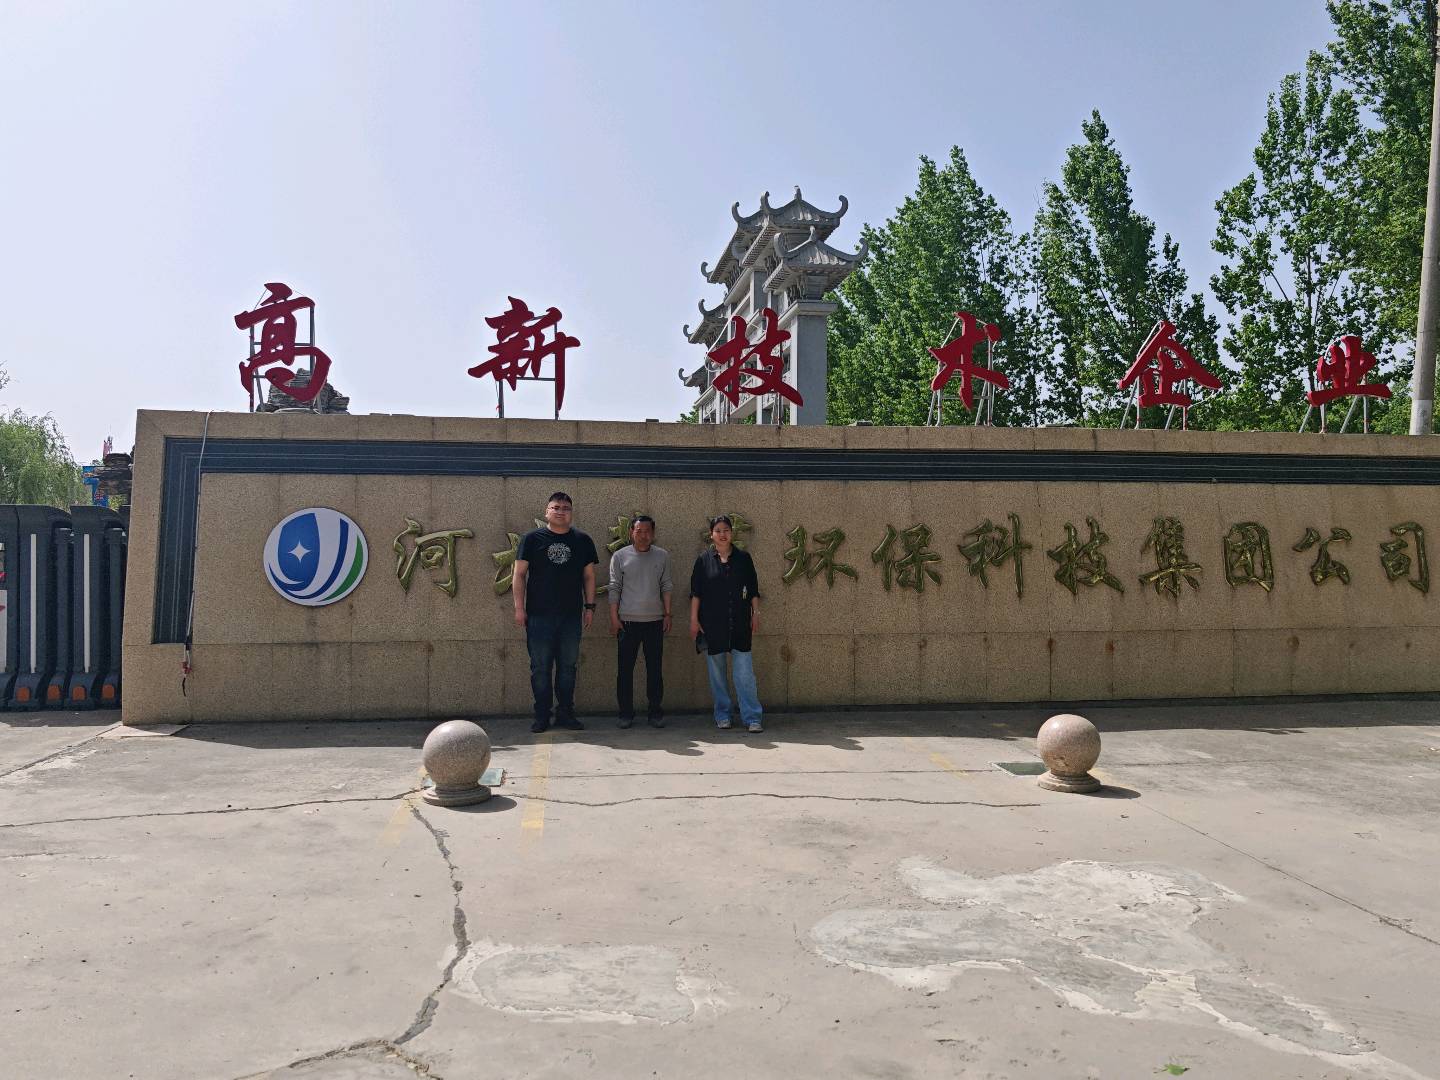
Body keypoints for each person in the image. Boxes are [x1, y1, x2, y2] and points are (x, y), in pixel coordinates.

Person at [512, 492, 598, 734]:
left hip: (571, 616)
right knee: (540, 667)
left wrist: (590, 607)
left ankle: (565, 713)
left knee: (568, 667)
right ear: (547, 511)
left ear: (572, 512)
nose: (561, 511)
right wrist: (519, 608)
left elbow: (589, 577)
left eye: (566, 508)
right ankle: (542, 715)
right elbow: (519, 574)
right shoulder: (531, 539)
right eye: (556, 507)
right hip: (538, 616)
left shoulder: (582, 540)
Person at [689, 515, 763, 733]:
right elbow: (696, 593)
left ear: (732, 533)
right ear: (711, 534)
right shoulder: (703, 560)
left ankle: (752, 717)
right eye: (718, 530)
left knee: (744, 674)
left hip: (740, 623)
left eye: (726, 530)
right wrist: (694, 620)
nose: (723, 534)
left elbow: (753, 589)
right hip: (713, 625)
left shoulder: (743, 558)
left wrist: (755, 613)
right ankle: (723, 714)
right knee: (717, 675)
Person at [608, 514, 673, 729]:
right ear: (631, 532)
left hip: (655, 621)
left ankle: (655, 712)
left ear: (653, 533)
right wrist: (614, 617)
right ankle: (625, 713)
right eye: (639, 531)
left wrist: (667, 614)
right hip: (627, 622)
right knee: (625, 671)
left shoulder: (662, 556)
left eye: (647, 531)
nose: (643, 535)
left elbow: (666, 585)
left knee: (655, 670)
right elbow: (614, 587)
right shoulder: (620, 556)